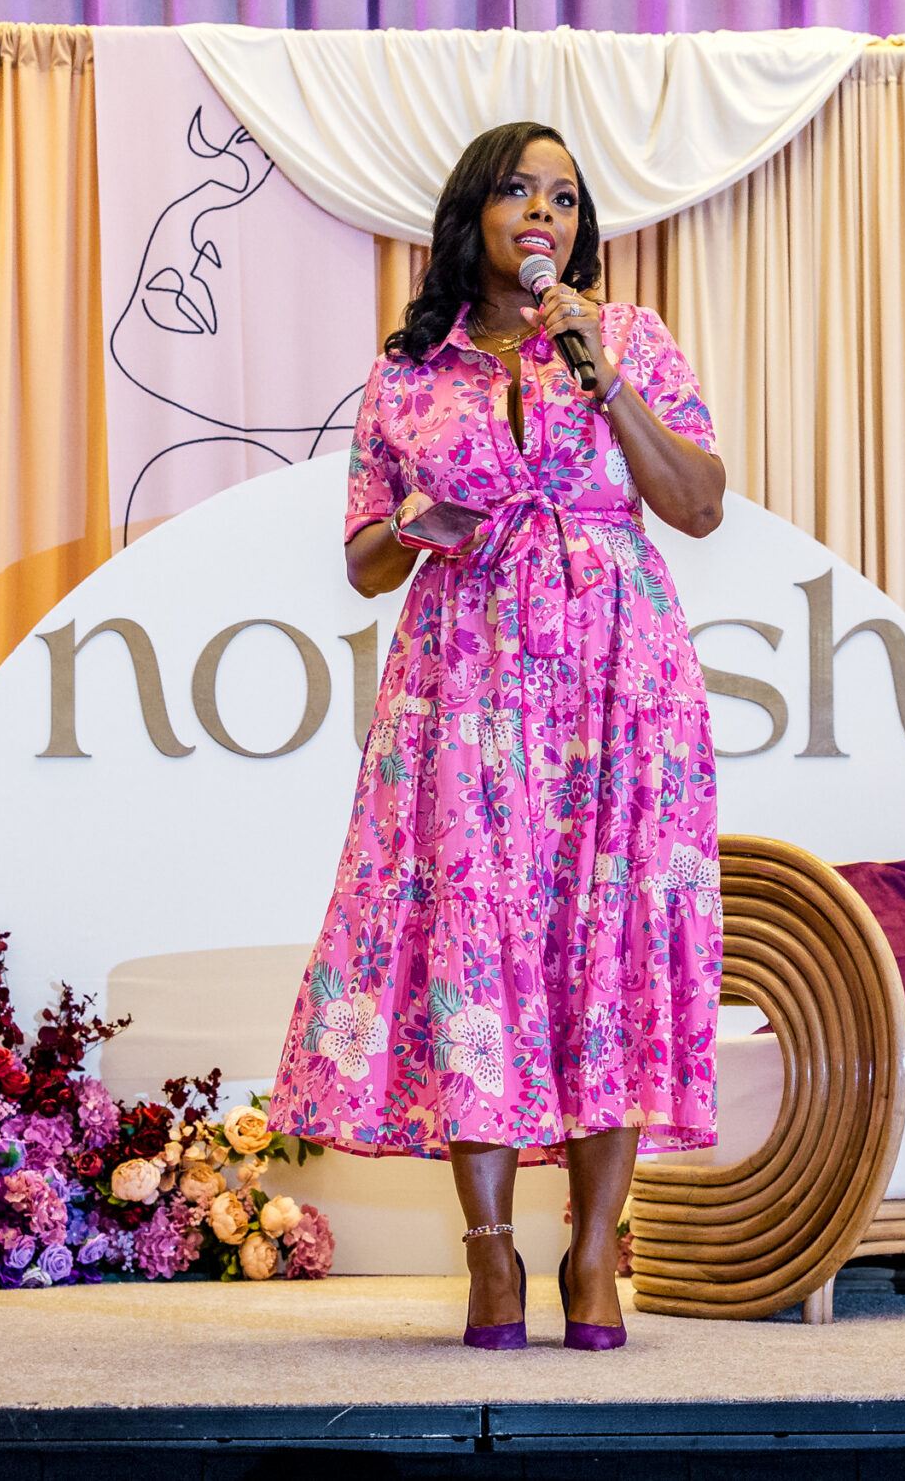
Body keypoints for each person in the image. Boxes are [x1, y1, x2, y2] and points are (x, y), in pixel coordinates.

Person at [267, 122, 727, 1352]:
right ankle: (488, 1251)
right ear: (472, 214)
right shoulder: (411, 371)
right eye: (520, 191)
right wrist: (429, 518)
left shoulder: (627, 338)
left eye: (565, 198)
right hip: (467, 672)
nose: (544, 214)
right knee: (480, 940)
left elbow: (696, 505)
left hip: (620, 678)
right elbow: (365, 563)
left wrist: (604, 378)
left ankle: (596, 1250)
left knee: (607, 942)